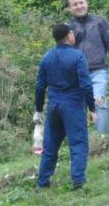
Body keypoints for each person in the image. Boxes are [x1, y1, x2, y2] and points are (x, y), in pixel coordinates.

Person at [35, 21, 95, 190]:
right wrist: (92, 108)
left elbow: (40, 87)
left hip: (53, 105)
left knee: (50, 146)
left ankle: (42, 183)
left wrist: (39, 110)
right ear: (69, 35)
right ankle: (78, 181)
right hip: (73, 105)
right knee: (78, 143)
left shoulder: (46, 57)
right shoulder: (77, 57)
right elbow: (86, 85)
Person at [65, 0, 109, 137]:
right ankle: (81, 143)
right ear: (69, 8)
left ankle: (101, 139)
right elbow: (63, 52)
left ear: (87, 3)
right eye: (75, 4)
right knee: (78, 109)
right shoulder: (68, 27)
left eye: (81, 3)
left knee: (99, 103)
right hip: (76, 75)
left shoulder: (100, 22)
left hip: (99, 71)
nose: (79, 6)